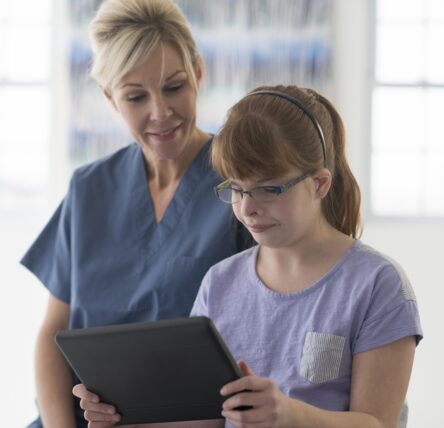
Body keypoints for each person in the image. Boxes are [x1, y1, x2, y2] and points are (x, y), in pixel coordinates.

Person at [74, 84, 422, 428]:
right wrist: (122, 419)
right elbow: (204, 419)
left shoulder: (377, 284)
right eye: (236, 188)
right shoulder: (220, 282)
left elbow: (378, 422)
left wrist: (290, 416)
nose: (248, 208)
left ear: (319, 184)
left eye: (268, 188)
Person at [21, 1, 251, 427]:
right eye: (135, 96)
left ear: (198, 73)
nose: (160, 113)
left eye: (174, 86)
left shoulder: (244, 186)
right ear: (110, 98)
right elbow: (53, 335)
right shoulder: (88, 190)